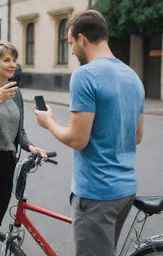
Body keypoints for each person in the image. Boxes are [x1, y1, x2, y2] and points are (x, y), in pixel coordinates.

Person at [35, 10, 145, 256]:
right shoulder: (133, 77)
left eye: (71, 43)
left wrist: (49, 122)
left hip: (97, 193)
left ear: (82, 38)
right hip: (125, 190)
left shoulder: (85, 75)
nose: (71, 50)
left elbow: (77, 139)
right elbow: (137, 136)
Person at [0, 40, 47, 256]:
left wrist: (32, 147)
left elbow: (19, 132)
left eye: (14, 60)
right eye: (6, 60)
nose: (12, 64)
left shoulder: (16, 93)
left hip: (7, 166)